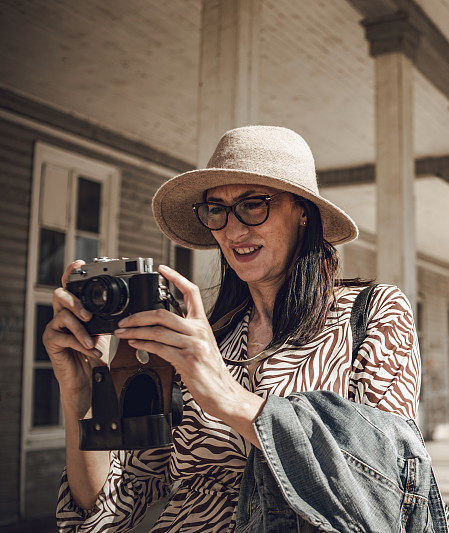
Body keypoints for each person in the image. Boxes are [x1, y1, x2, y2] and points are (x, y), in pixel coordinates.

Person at [46, 126, 422, 531]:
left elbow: (387, 478)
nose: (233, 230)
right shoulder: (202, 338)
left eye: (253, 205)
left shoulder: (370, 312)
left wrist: (226, 395)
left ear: (303, 212)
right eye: (216, 210)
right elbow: (113, 505)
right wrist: (80, 395)